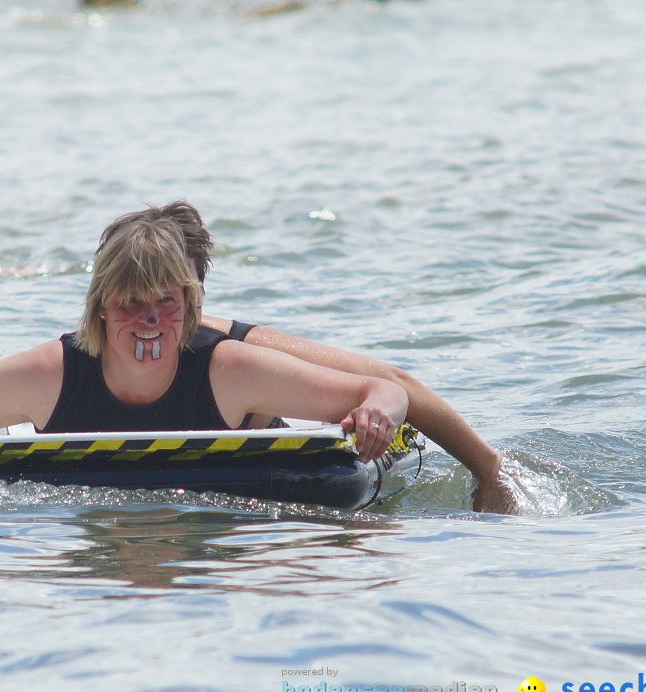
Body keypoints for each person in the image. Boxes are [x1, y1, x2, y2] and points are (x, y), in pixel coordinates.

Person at [0, 205, 409, 470]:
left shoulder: (229, 369)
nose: (150, 323)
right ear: (102, 311)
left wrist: (380, 410)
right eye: (131, 305)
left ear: (189, 305)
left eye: (166, 306)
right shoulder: (52, 375)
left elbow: (380, 389)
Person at [143, 201, 511, 514]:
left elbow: (395, 383)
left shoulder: (235, 347)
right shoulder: (94, 351)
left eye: (170, 290)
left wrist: (487, 468)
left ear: (197, 292)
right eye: (135, 289)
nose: (150, 313)